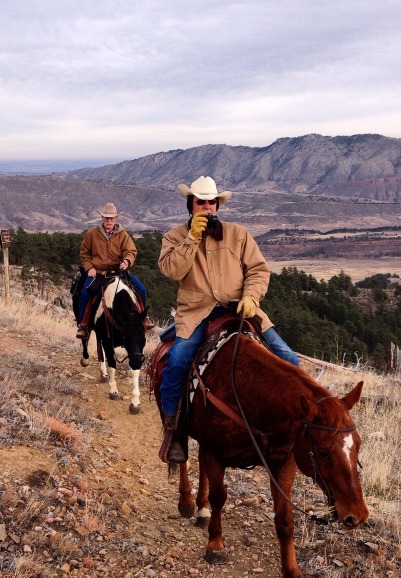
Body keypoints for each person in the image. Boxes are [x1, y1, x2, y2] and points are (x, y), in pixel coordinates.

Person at [158, 176, 299, 463]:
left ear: (218, 205)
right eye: (201, 202)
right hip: (197, 312)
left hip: (240, 309)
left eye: (211, 202)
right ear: (191, 204)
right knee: (176, 363)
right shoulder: (175, 236)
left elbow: (258, 270)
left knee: (288, 359)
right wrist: (191, 239)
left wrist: (252, 297)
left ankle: (296, 430)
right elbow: (172, 271)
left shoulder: (239, 234)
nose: (206, 207)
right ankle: (174, 432)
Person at [76, 203, 149, 339]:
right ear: (102, 218)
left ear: (116, 218)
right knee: (85, 292)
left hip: (118, 271)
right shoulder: (92, 234)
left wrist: (127, 261)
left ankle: (142, 320)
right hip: (97, 272)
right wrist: (89, 267)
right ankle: (83, 324)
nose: (109, 221)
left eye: (111, 218)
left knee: (142, 289)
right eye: (106, 218)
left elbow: (131, 251)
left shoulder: (123, 235)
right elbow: (84, 253)